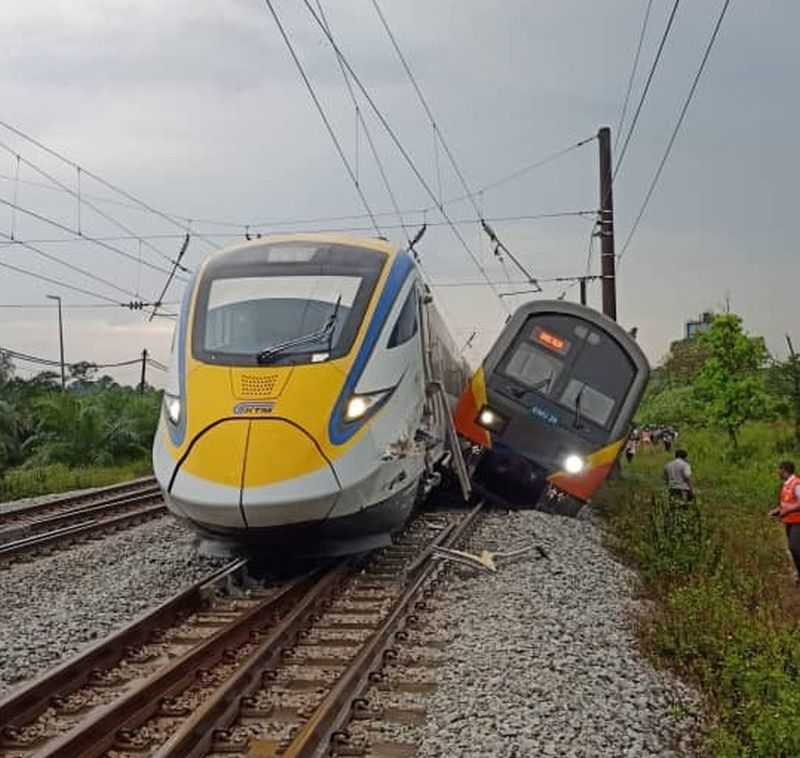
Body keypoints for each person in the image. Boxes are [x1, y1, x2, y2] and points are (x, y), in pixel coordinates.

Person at [769, 461, 800, 583]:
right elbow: (787, 502)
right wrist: (777, 510)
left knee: (795, 547)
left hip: (798, 521)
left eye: (779, 469)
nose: (778, 472)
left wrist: (787, 509)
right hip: (789, 520)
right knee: (793, 548)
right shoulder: (786, 484)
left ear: (784, 470)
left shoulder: (797, 484)